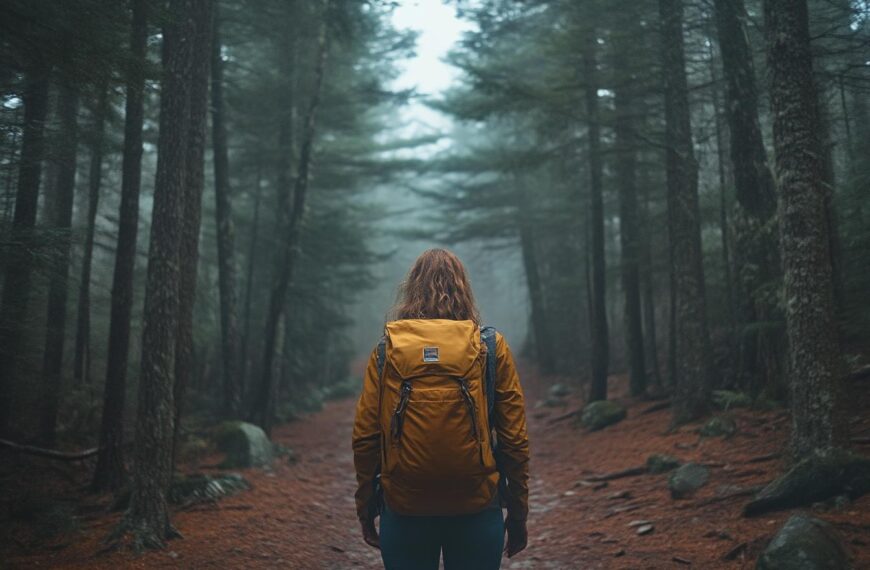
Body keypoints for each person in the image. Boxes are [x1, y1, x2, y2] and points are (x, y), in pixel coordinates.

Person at [352, 248, 530, 570]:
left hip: (404, 507)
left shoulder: (386, 351)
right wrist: (518, 512)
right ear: (464, 288)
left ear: (411, 289)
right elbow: (514, 438)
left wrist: (366, 508)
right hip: (476, 504)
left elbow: (365, 437)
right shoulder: (489, 347)